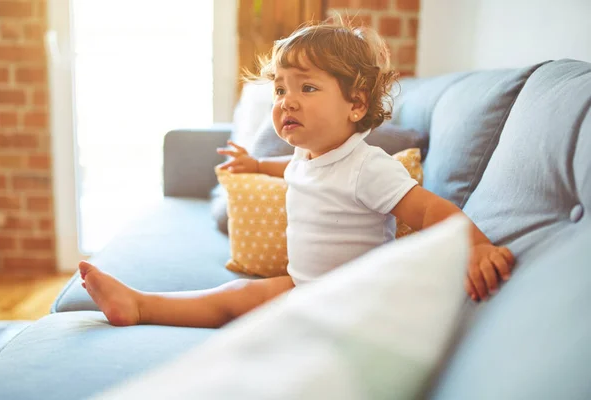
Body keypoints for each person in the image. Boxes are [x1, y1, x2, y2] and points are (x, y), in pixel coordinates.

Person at [79, 19, 515, 328]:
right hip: (306, 286)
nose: (287, 100)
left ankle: (144, 307)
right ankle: (139, 306)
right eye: (281, 88)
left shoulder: (367, 166)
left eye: (307, 88)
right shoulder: (306, 158)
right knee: (233, 299)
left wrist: (476, 246)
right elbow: (286, 170)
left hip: (351, 300)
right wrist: (254, 166)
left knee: (242, 306)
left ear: (356, 105)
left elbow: (428, 210)